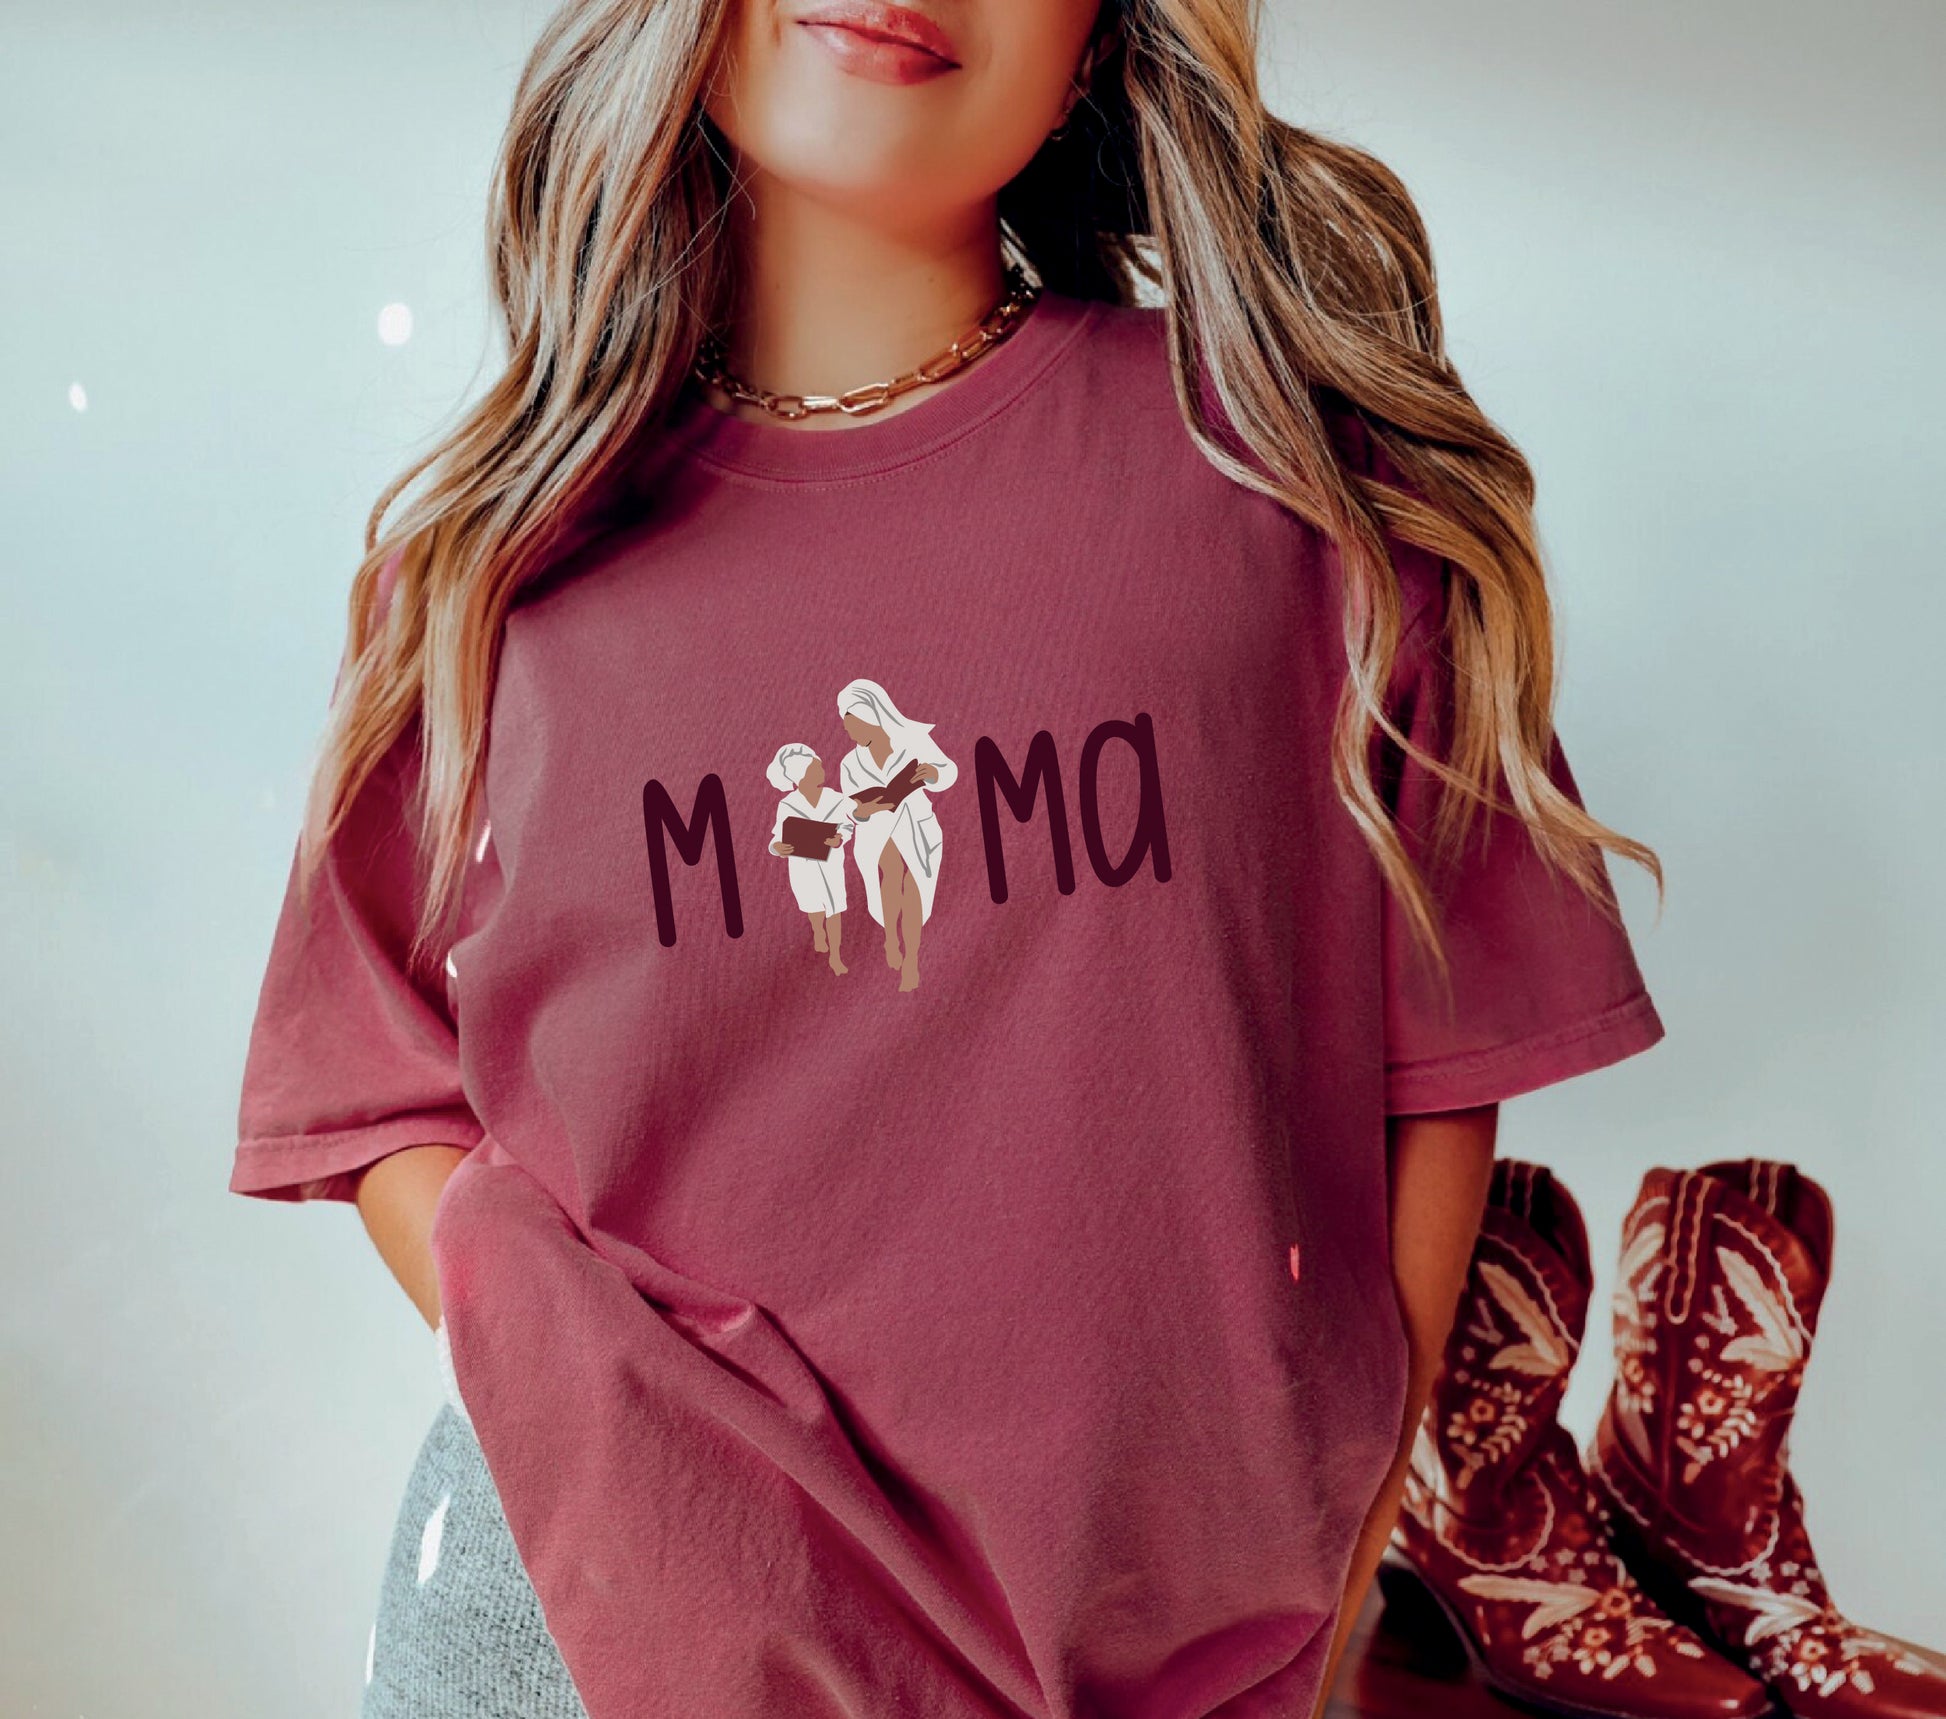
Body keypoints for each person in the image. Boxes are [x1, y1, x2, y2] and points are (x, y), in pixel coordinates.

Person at [229, 0, 1668, 1715]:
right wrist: (599, 1415)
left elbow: (1435, 1064)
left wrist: (1338, 1547)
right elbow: (365, 1084)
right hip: (582, 1630)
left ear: (1100, 44)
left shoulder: (1291, 486)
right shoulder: (493, 565)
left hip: (1156, 1659)